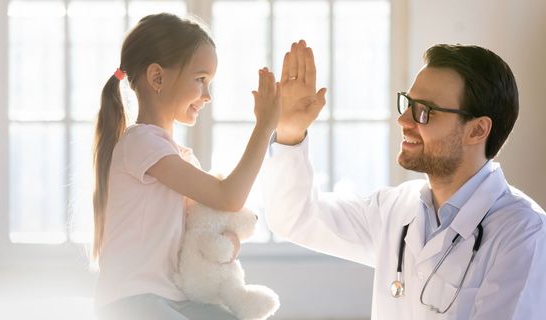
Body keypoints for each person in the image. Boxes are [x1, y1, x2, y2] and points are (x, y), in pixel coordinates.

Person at [262, 40, 546, 319]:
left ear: (477, 130)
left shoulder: (523, 231)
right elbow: (295, 217)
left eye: (424, 111)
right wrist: (290, 131)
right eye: (408, 103)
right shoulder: (396, 208)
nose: (404, 120)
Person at [92, 13, 280, 320]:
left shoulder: (177, 156)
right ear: (157, 78)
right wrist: (265, 127)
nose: (207, 96)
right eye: (200, 79)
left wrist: (226, 241)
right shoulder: (141, 143)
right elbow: (227, 196)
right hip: (132, 301)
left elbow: (209, 220)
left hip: (171, 298)